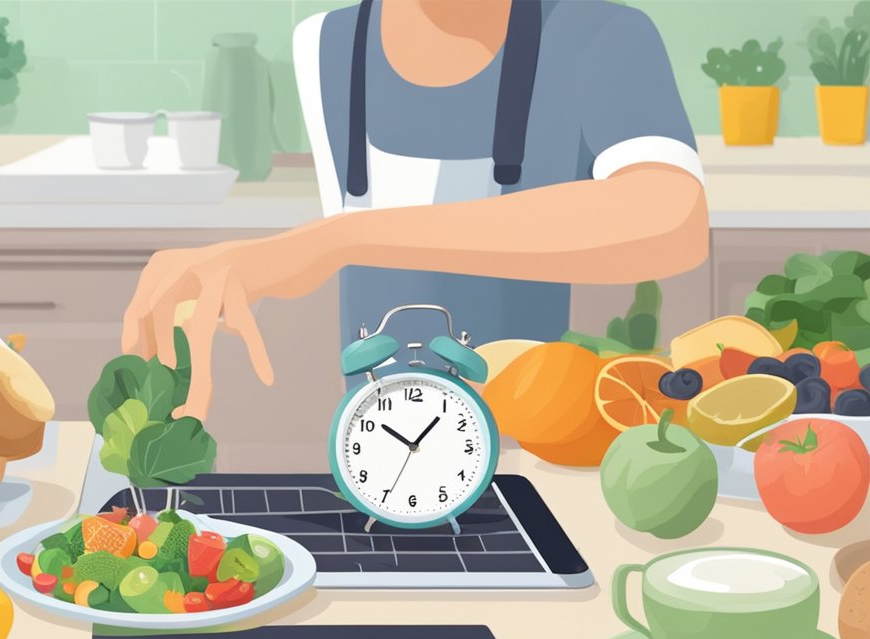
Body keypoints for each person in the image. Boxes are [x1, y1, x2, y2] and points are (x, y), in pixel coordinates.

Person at [122, 0, 708, 421]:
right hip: (368, 449)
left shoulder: (598, 35)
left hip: (539, 453)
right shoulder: (323, 45)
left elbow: (670, 216)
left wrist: (335, 241)